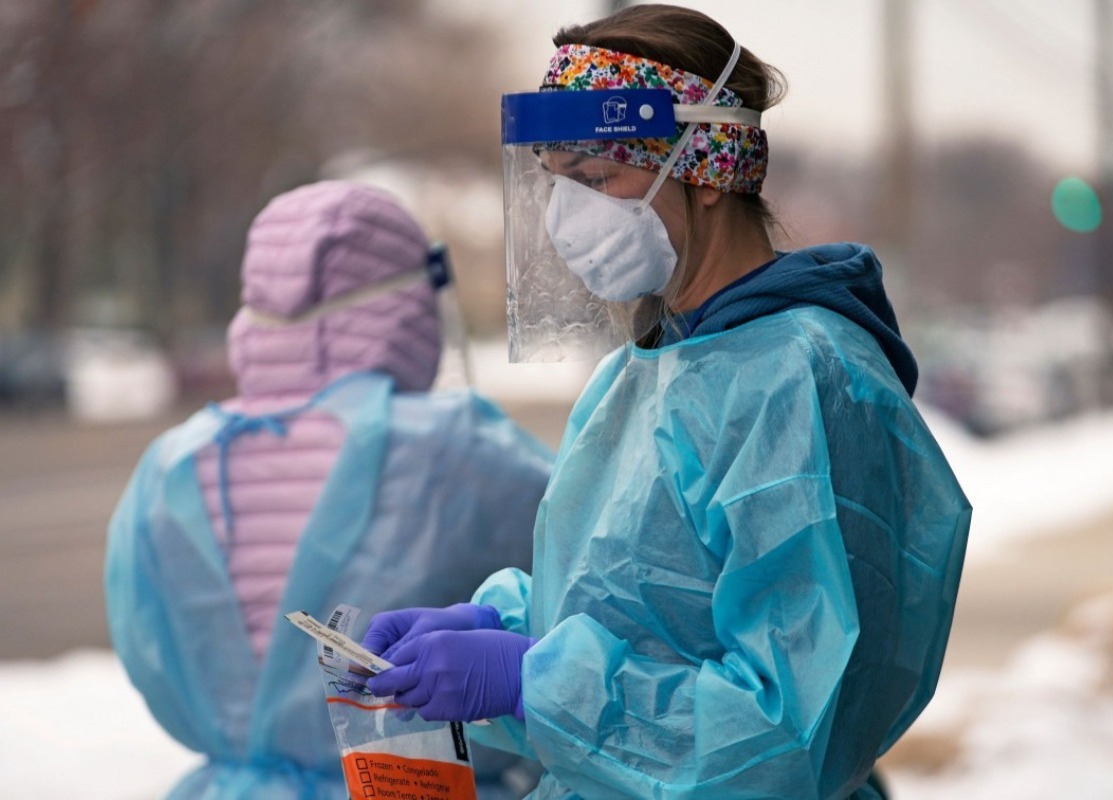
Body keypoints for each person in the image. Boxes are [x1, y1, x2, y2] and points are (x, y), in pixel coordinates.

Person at [360, 5, 972, 799]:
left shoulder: (801, 381)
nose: (566, 215)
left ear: (708, 168)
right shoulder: (645, 373)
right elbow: (645, 613)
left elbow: (787, 730)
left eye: (596, 178)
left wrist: (534, 682)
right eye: (556, 180)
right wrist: (510, 633)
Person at [105, 181, 554, 799]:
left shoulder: (170, 465)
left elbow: (145, 650)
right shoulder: (458, 445)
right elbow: (594, 571)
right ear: (409, 306)